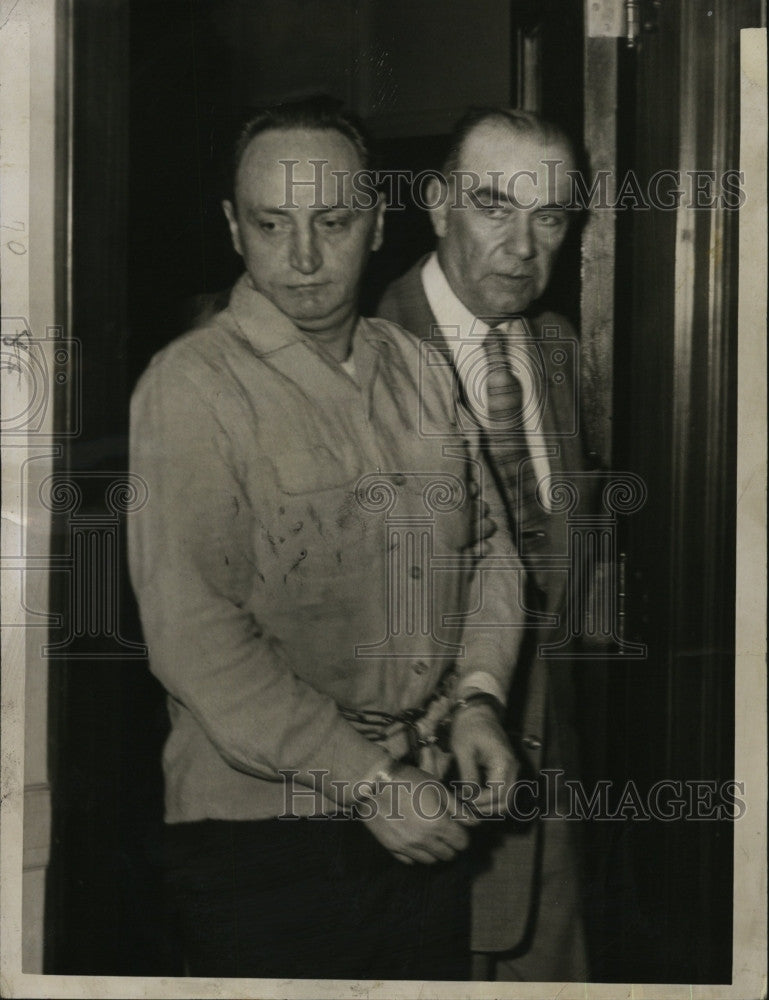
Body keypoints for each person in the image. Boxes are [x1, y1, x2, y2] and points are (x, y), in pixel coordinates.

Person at [128, 98, 526, 981]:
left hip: (422, 812)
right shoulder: (189, 388)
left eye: (333, 221)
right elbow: (196, 635)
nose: (302, 259)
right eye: (272, 224)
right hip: (262, 842)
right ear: (234, 229)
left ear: (378, 222)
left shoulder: (417, 366)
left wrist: (477, 698)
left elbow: (490, 545)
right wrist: (370, 783)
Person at [378, 107, 591, 982]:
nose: (521, 244)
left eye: (548, 216)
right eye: (494, 205)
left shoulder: (557, 347)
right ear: (436, 203)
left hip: (552, 792)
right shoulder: (363, 348)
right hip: (413, 797)